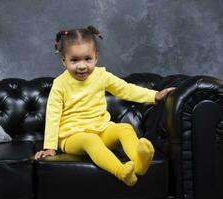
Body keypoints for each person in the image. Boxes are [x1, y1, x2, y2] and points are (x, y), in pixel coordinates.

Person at [34, 25, 175, 186]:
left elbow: (125, 89)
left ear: (96, 57)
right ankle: (121, 171)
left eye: (88, 59)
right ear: (64, 61)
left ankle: (140, 162)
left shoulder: (101, 75)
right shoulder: (60, 84)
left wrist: (154, 96)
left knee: (125, 128)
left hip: (102, 129)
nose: (82, 66)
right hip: (73, 137)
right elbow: (53, 115)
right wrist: (50, 147)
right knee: (91, 140)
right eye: (74, 60)